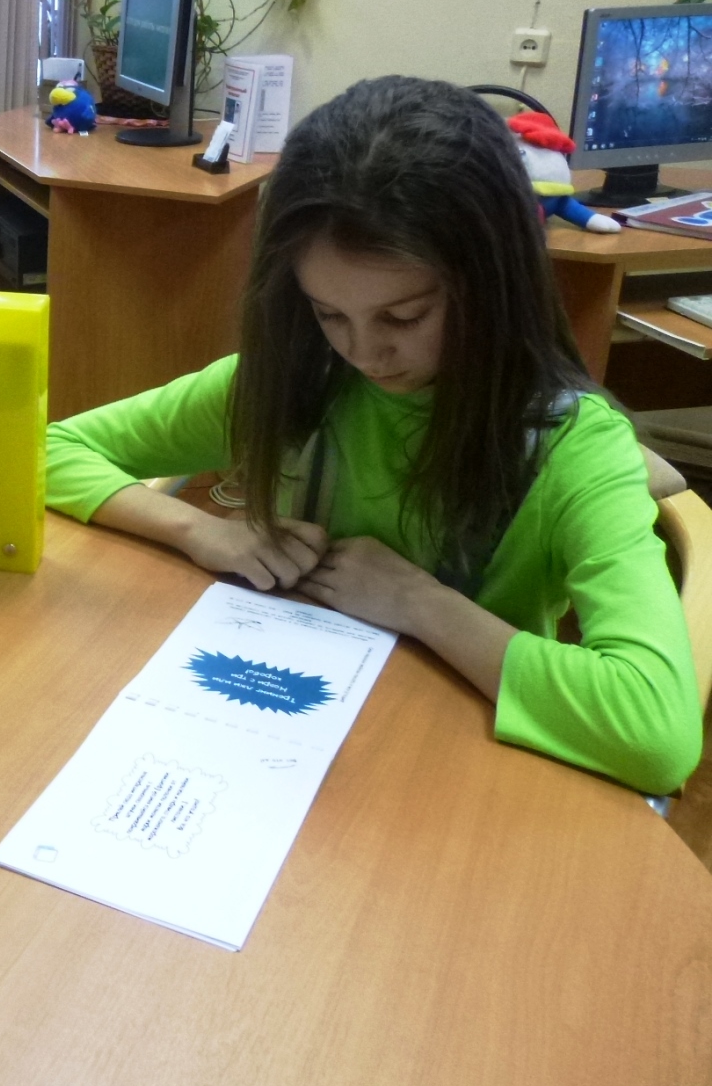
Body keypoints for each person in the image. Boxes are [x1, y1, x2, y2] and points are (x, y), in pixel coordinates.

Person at [45, 75, 703, 796]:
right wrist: (200, 531)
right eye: (329, 313)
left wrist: (421, 603)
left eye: (404, 317)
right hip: (290, 744)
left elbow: (655, 733)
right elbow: (47, 448)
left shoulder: (573, 445)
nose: (363, 353)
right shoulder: (291, 379)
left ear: (491, 285)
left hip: (460, 781)